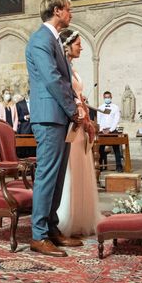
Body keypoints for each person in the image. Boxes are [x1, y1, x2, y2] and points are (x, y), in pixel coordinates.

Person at [25, 0, 83, 257]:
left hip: (60, 117)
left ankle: (50, 228)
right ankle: (38, 235)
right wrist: (73, 110)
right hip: (49, 116)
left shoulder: (55, 40)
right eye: (68, 10)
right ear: (57, 11)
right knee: (47, 175)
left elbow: (65, 79)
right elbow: (51, 79)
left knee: (58, 176)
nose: (71, 14)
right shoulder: (40, 39)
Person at [56, 29, 101, 237]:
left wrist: (89, 122)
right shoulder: (61, 67)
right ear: (67, 45)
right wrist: (79, 117)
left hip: (82, 122)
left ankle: (83, 215)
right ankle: (67, 215)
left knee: (83, 166)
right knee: (71, 169)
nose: (81, 47)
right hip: (71, 123)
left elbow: (80, 97)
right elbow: (66, 95)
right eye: (78, 44)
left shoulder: (72, 69)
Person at [97, 90, 123, 173]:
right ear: (103, 98)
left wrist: (111, 130)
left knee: (116, 149)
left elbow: (116, 119)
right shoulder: (100, 107)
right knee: (100, 149)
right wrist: (102, 129)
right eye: (105, 97)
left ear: (111, 98)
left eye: (108, 97)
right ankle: (99, 166)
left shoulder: (115, 107)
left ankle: (119, 166)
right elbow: (99, 120)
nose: (107, 98)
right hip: (103, 131)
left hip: (112, 130)